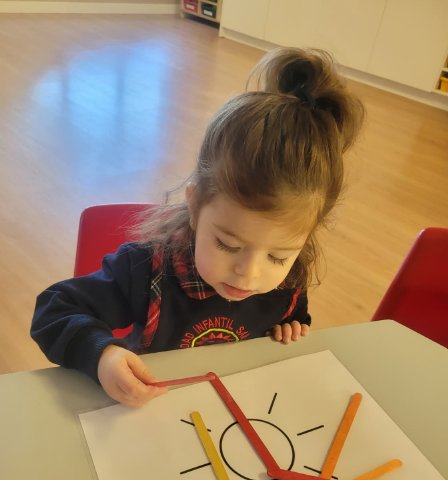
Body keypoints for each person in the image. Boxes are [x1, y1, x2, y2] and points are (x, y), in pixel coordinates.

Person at [31, 47, 364, 408]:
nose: (249, 274)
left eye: (278, 257)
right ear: (194, 205)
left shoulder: (289, 280)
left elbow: (294, 315)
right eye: (228, 245)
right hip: (151, 410)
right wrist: (102, 355)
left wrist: (290, 327)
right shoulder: (144, 270)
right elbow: (54, 309)